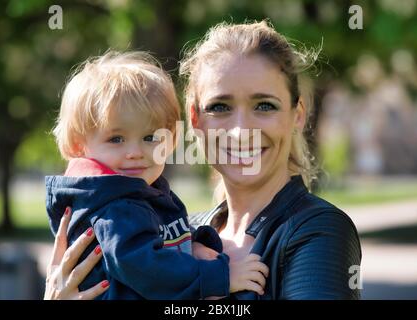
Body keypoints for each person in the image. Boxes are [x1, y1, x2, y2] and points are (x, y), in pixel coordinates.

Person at [44, 20, 362, 300]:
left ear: (297, 114)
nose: (240, 132)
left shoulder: (317, 230)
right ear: (195, 119)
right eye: (220, 107)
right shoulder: (181, 231)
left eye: (264, 106)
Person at [44, 50, 269, 299]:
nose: (135, 152)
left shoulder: (139, 192)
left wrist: (191, 245)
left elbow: (154, 239)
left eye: (150, 137)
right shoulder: (114, 207)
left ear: (170, 140)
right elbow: (150, 270)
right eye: (116, 139)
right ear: (78, 145)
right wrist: (221, 277)